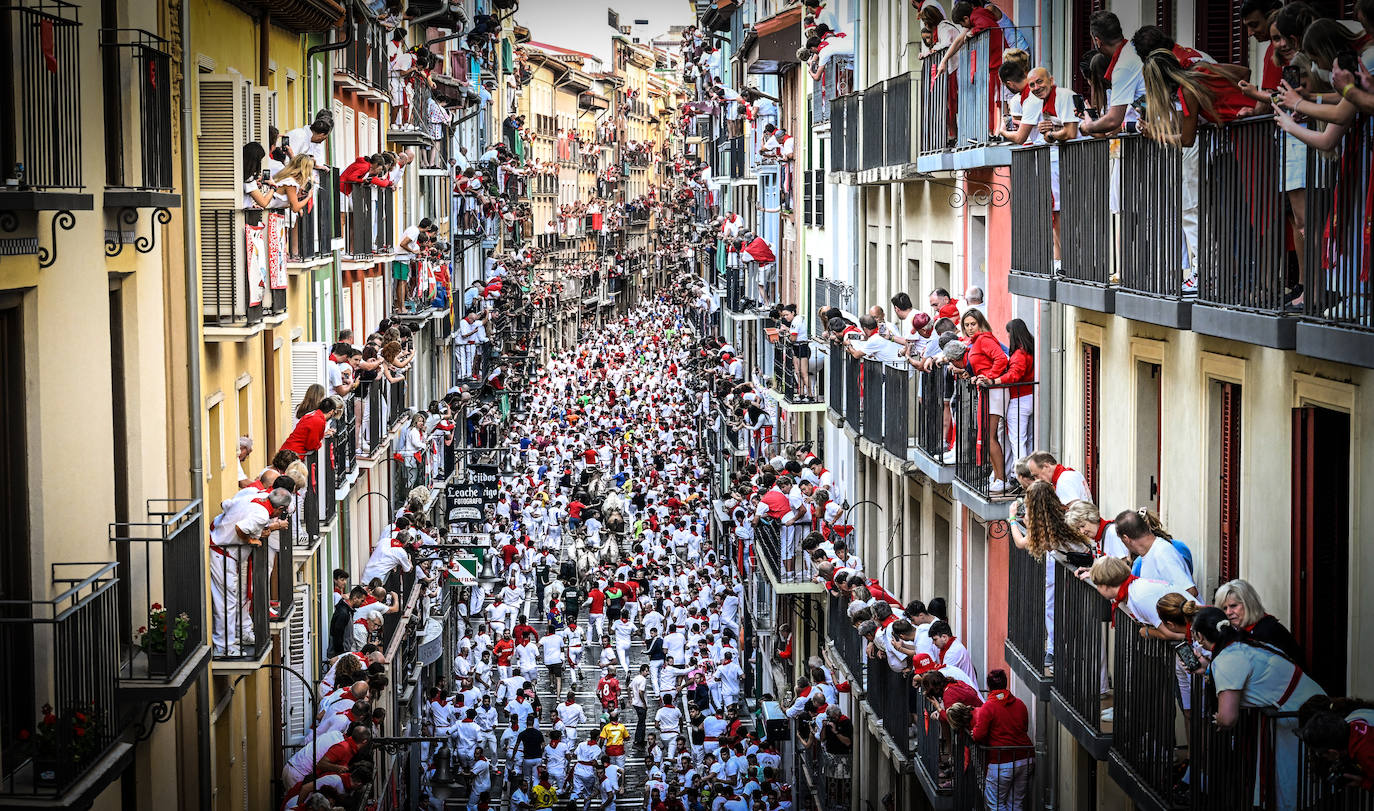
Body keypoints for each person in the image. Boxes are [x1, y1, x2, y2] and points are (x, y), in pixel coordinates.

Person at [1191, 606, 1325, 810]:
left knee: (1293, 782)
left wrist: (1217, 719)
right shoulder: (1242, 645)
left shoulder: (1228, 658)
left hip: (1296, 716)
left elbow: (1227, 718)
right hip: (1305, 709)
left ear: (1200, 636)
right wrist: (1207, 668)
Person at [969, 669, 1034, 810]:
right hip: (1025, 758)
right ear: (1005, 683)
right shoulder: (1020, 704)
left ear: (989, 686)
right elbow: (1024, 728)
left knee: (996, 804)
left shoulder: (988, 707)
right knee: (1016, 804)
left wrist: (972, 732)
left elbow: (979, 735)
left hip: (1001, 762)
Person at [1213, 579, 1304, 663]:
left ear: (1249, 604)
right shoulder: (1241, 630)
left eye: (1233, 606)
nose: (1228, 612)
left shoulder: (1268, 630)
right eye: (1224, 608)